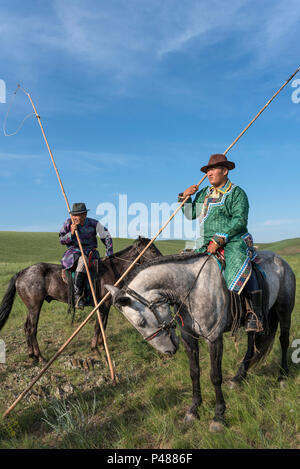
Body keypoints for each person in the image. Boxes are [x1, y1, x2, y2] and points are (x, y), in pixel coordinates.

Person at [178, 153, 263, 332]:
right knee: (184, 263)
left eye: (212, 169)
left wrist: (220, 238)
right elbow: (189, 215)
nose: (209, 173)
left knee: (238, 264)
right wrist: (185, 197)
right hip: (204, 241)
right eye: (207, 170)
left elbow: (239, 220)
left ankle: (254, 313)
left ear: (225, 171)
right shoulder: (204, 193)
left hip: (233, 239)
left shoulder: (237, 193)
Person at [59, 202, 113, 309]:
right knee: (83, 260)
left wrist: (108, 252)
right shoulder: (68, 222)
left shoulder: (94, 223)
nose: (75, 217)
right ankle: (77, 295)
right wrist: (71, 233)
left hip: (91, 252)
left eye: (77, 215)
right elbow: (61, 240)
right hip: (74, 252)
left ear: (84, 215)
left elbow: (106, 236)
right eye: (73, 215)